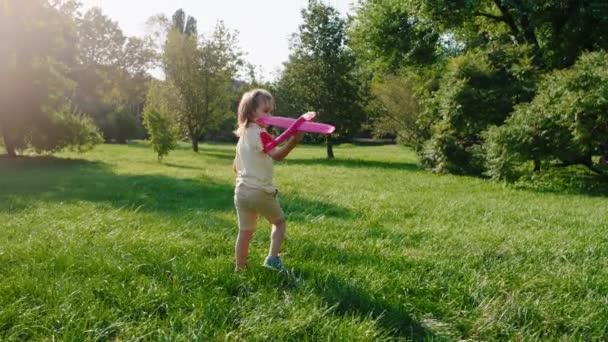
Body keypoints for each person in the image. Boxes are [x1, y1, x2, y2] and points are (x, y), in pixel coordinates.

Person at [232, 88, 310, 272]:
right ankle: (272, 259)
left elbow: (236, 165)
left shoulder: (242, 136)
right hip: (259, 190)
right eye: (266, 111)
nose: (270, 115)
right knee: (279, 223)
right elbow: (277, 155)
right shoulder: (261, 134)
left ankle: (240, 269)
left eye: (271, 111)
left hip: (241, 191)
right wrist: (294, 141)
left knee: (245, 232)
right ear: (251, 112)